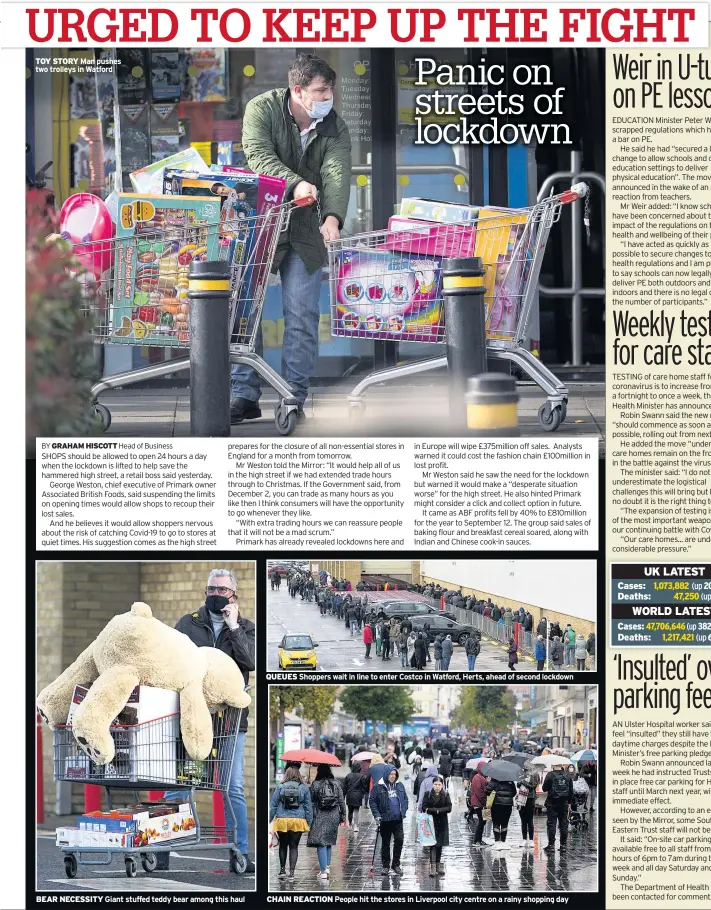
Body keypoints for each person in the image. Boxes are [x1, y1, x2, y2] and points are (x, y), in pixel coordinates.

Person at [231, 54, 351, 423]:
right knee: (245, 311)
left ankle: (292, 396)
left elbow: (336, 173)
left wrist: (331, 218)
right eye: (321, 90)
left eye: (330, 88)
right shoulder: (261, 110)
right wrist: (295, 182)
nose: (328, 95)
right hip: (259, 220)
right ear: (298, 91)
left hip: (303, 228)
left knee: (301, 315)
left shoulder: (333, 126)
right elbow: (259, 156)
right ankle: (243, 393)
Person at [159, 569, 255, 873]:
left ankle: (239, 852)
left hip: (230, 722)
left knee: (232, 786)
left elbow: (250, 662)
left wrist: (233, 627)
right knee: (181, 783)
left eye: (223, 590)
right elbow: (170, 661)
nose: (217, 594)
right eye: (212, 588)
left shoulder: (247, 627)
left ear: (233, 596)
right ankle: (163, 848)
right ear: (205, 592)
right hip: (193, 719)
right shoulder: (188, 624)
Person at [270, 764, 313, 879]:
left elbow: (273, 805)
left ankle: (282, 871)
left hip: (282, 820)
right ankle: (292, 873)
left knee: (283, 846)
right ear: (298, 774)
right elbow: (308, 807)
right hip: (298, 820)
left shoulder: (280, 787)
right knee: (294, 846)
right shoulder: (303, 788)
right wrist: (309, 822)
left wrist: (269, 820)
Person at [308, 764, 346, 879]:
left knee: (321, 842)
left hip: (320, 815)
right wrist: (343, 815)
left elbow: (311, 801)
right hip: (333, 815)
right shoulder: (337, 783)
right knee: (328, 841)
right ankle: (327, 867)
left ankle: (323, 871)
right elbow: (341, 801)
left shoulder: (315, 784)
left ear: (319, 772)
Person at [369, 767, 408, 876]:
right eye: (391, 774)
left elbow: (405, 798)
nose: (393, 776)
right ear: (386, 774)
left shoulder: (399, 785)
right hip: (385, 819)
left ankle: (396, 864)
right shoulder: (378, 786)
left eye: (394, 774)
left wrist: (403, 810)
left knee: (399, 840)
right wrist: (376, 815)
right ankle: (385, 866)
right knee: (385, 843)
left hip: (398, 819)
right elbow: (372, 801)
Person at [421, 776, 452, 877]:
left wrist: (437, 810)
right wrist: (436, 811)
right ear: (432, 784)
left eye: (439, 784)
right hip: (431, 822)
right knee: (433, 845)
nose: (437, 786)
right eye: (435, 784)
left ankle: (438, 866)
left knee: (440, 845)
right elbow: (424, 807)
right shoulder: (428, 794)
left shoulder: (446, 794)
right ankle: (433, 867)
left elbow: (449, 808)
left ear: (442, 785)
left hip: (442, 822)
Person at [542, 762, 574, 853]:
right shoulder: (567, 775)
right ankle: (563, 845)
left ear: (553, 765)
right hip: (564, 803)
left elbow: (544, 788)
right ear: (562, 765)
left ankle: (551, 845)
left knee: (551, 824)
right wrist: (569, 802)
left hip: (552, 803)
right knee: (564, 823)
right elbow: (571, 791)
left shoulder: (550, 775)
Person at [486, 772, 517, 850]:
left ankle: (497, 842)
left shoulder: (494, 780)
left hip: (496, 804)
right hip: (508, 805)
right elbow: (514, 792)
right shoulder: (510, 781)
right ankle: (503, 842)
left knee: (496, 823)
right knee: (505, 823)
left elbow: (487, 791)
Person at [516, 762, 540, 848]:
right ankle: (524, 839)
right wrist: (520, 782)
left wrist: (524, 782)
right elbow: (518, 785)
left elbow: (533, 786)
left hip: (530, 798)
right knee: (523, 820)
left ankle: (531, 839)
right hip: (521, 798)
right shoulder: (521, 773)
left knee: (530, 820)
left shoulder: (535, 774)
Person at [469, 760, 489, 847]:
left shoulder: (481, 776)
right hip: (480, 803)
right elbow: (479, 793)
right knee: (482, 821)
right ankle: (477, 840)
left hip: (483, 803)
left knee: (484, 821)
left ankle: (479, 840)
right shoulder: (477, 777)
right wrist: (485, 803)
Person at [343, 761, 368, 833]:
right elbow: (364, 787)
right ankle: (356, 826)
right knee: (356, 810)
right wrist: (363, 793)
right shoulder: (362, 776)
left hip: (349, 795)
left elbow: (345, 787)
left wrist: (343, 795)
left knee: (350, 811)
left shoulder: (348, 775)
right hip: (358, 796)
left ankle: (350, 824)